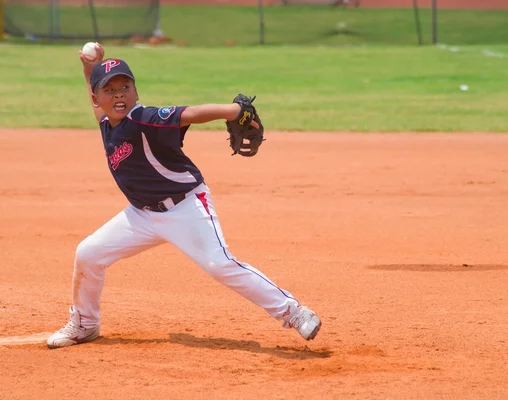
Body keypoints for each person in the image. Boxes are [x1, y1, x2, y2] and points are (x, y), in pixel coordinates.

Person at [47, 43, 322, 349]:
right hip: (141, 215)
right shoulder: (106, 122)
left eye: (125, 86)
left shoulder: (145, 118)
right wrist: (90, 65)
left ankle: (295, 313)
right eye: (109, 90)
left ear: (136, 92)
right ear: (97, 97)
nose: (119, 94)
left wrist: (234, 111)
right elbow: (94, 93)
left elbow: (189, 114)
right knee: (89, 253)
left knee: (220, 264)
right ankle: (85, 324)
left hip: (186, 207)